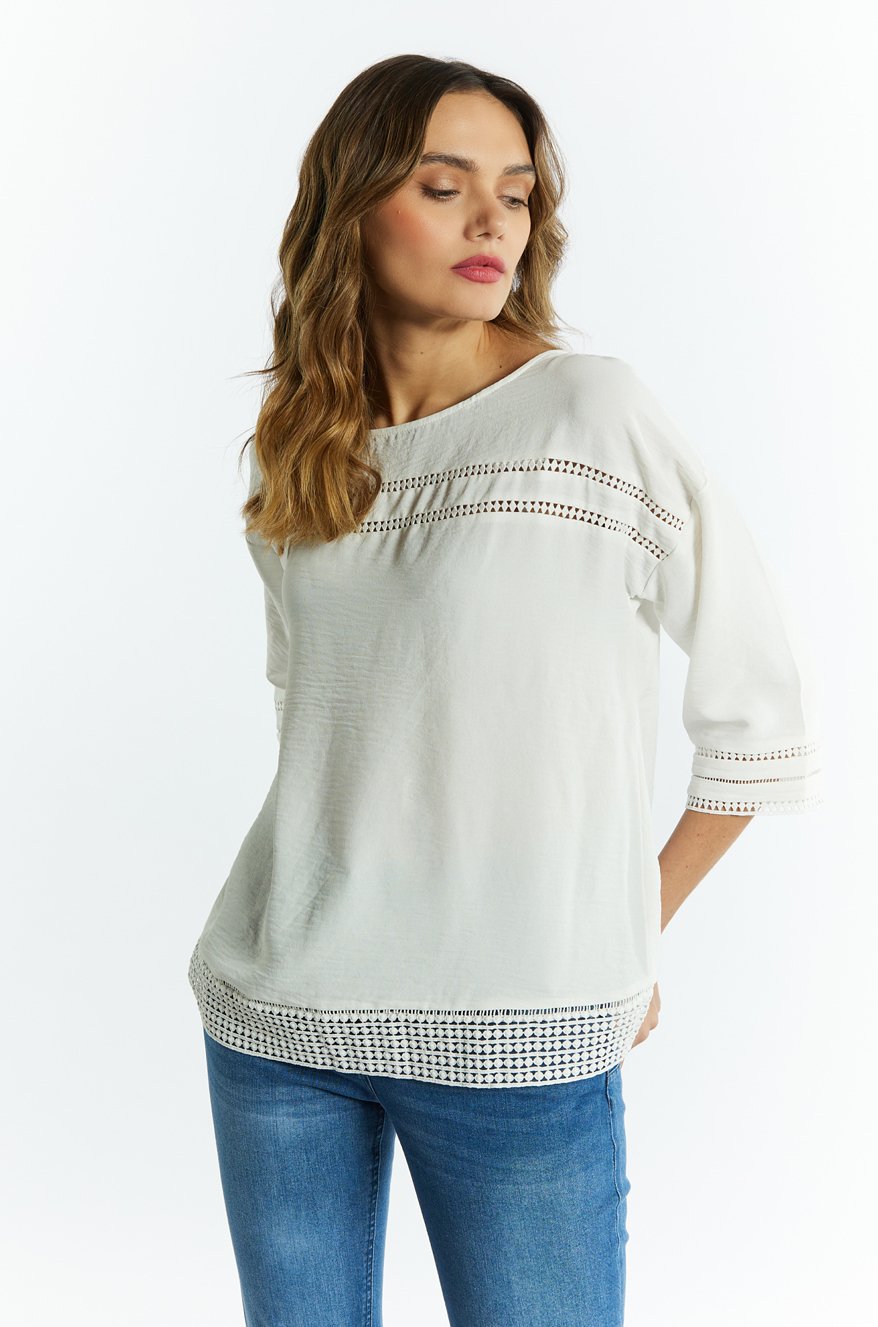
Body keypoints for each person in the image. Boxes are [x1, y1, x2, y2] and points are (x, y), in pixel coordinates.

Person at [187, 54, 824, 1327]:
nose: (493, 221)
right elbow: (321, 716)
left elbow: (761, 716)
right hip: (277, 1017)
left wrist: (628, 926)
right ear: (354, 206)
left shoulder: (590, 415)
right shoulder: (296, 443)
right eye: (444, 187)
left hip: (518, 1029)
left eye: (518, 193)